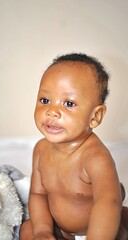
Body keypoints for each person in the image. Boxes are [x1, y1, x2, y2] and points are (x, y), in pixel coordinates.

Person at [20, 53, 128, 240]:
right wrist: (43, 230)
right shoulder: (41, 150)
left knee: (117, 232)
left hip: (101, 228)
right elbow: (38, 194)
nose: (52, 111)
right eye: (45, 100)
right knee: (27, 230)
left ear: (95, 117)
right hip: (60, 228)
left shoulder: (95, 158)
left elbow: (108, 203)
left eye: (68, 103)